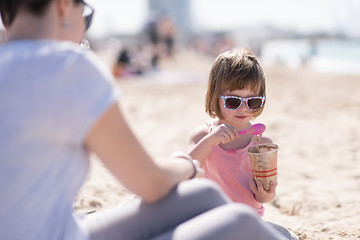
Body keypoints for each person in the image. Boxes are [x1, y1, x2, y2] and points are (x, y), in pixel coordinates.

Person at [0, 1, 286, 240]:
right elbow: (150, 184)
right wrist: (187, 165)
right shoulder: (65, 65)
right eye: (86, 14)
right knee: (239, 219)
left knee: (204, 195)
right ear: (63, 6)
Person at [188, 48, 298, 240]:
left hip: (249, 223)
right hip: (210, 221)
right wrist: (210, 142)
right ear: (215, 96)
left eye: (253, 102)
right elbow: (186, 171)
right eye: (232, 101)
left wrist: (265, 193)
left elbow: (265, 197)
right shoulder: (203, 136)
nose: (243, 108)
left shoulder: (262, 143)